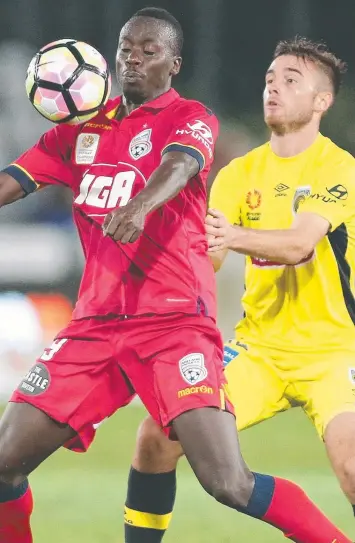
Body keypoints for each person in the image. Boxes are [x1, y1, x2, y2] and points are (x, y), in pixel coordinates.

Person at [0, 11, 349, 541]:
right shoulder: (79, 133)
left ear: (174, 63)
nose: (133, 58)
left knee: (227, 482)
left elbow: (181, 164)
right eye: (125, 49)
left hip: (174, 326)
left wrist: (141, 206)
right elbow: (15, 180)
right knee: (7, 463)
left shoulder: (190, 116)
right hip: (94, 327)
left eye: (148, 50)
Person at [122, 35, 355, 543]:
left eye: (291, 80)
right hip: (259, 350)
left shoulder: (339, 169)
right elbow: (206, 259)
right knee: (157, 438)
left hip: (335, 353)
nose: (273, 88)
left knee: (352, 465)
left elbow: (298, 244)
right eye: (270, 79)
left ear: (322, 101)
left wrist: (233, 236)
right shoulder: (236, 175)